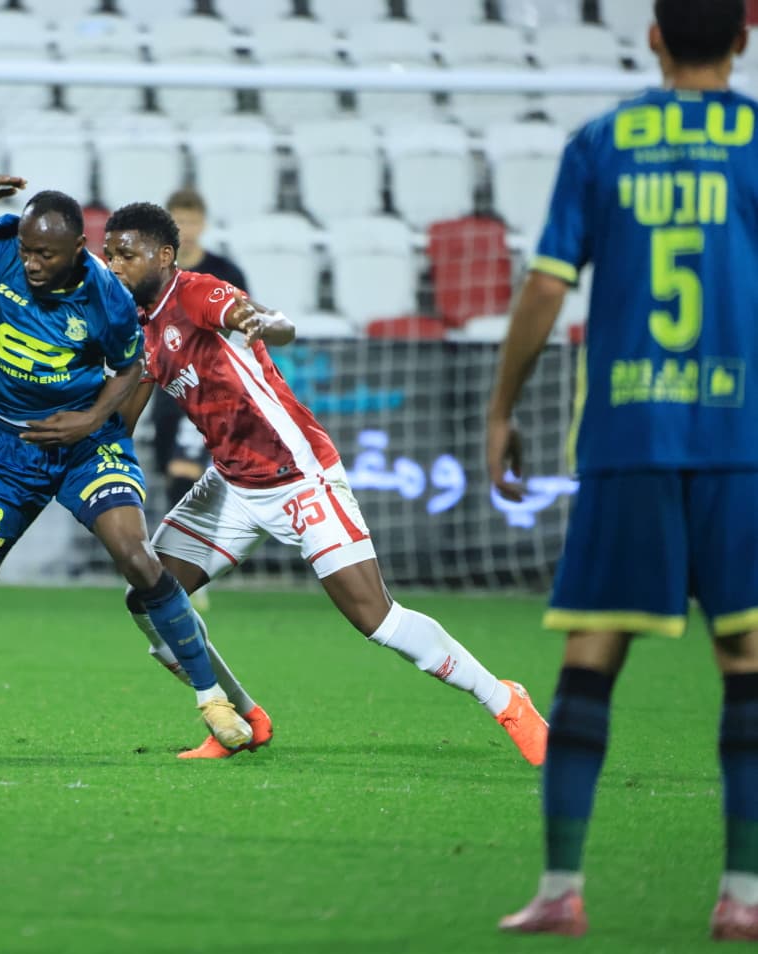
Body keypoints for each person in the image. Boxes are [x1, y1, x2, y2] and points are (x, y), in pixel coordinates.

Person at [488, 0, 758, 941]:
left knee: (591, 655)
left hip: (627, 435)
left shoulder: (602, 142)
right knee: (747, 660)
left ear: (653, 37)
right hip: (740, 438)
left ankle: (560, 891)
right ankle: (743, 899)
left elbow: (547, 284)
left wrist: (502, 407)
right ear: (743, 40)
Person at [100, 201, 549, 765]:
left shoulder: (197, 293)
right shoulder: (139, 328)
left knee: (376, 619)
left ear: (165, 255)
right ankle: (242, 717)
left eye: (127, 254)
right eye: (108, 255)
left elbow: (268, 320)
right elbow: (121, 420)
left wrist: (265, 323)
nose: (114, 265)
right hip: (232, 486)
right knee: (150, 599)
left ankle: (505, 699)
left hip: (298, 478)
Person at [0, 174, 252, 758]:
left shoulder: (106, 295)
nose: (32, 263)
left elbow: (132, 367)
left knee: (138, 557)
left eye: (46, 254)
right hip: (2, 449)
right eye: (27, 250)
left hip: (84, 445)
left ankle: (212, 700)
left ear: (78, 249)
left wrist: (92, 420)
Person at [154, 190, 248, 515]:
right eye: (179, 222)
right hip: (167, 386)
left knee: (185, 474)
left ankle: (187, 546)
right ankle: (190, 542)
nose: (186, 230)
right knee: (172, 473)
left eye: (192, 222)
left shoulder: (225, 273)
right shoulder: (155, 275)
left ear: (204, 224)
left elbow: (244, 329)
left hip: (208, 385)